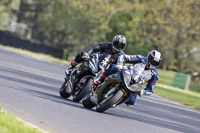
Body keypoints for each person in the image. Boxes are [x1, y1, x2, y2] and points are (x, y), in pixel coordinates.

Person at [91, 50, 162, 105]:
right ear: (149, 58)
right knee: (113, 67)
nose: (153, 64)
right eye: (153, 61)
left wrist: (143, 92)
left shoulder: (155, 75)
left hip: (135, 85)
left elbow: (150, 89)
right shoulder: (141, 59)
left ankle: (116, 102)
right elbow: (124, 57)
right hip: (127, 73)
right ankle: (100, 78)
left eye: (156, 63)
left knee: (131, 102)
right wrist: (120, 64)